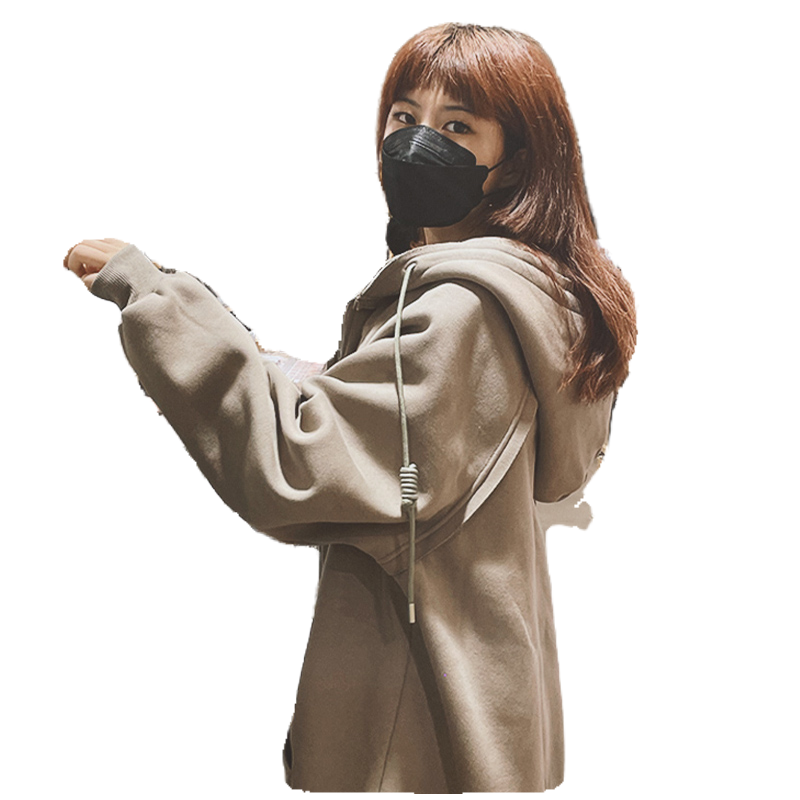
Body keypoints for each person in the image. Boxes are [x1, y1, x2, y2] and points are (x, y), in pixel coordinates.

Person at [63, 22, 636, 793]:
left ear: (516, 161)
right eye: (404, 116)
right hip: (480, 691)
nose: (416, 141)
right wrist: (249, 345)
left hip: (419, 721)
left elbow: (299, 461)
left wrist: (156, 298)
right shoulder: (528, 298)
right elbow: (364, 413)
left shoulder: (463, 312)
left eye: (457, 126)